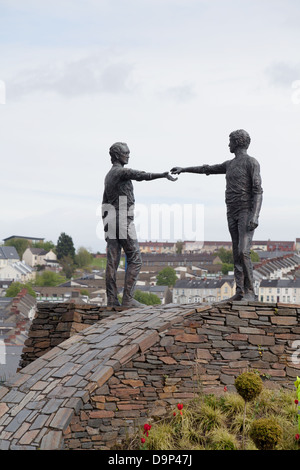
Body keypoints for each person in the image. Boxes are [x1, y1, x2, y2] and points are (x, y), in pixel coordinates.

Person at [171, 129, 263, 301]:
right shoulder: (230, 164)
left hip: (245, 211)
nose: (228, 144)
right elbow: (207, 169)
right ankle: (241, 291)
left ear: (238, 142)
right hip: (232, 211)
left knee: (244, 251)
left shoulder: (252, 162)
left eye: (230, 141)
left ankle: (250, 292)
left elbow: (258, 191)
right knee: (236, 253)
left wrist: (255, 216)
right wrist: (184, 169)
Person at [102, 142, 177, 308]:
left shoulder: (109, 175)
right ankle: (128, 300)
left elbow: (104, 201)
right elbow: (141, 175)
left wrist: (106, 225)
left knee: (112, 262)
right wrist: (162, 174)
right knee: (135, 258)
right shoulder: (120, 172)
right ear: (116, 155)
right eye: (125, 153)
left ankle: (112, 299)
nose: (128, 155)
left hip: (112, 218)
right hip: (122, 218)